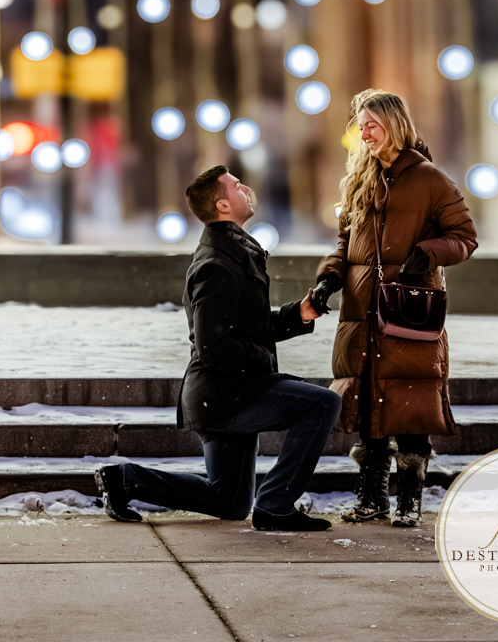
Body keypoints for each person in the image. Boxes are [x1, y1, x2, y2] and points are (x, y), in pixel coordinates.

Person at [96, 165, 340, 532]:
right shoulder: (215, 264)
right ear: (224, 205)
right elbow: (215, 346)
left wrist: (298, 315)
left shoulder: (233, 253)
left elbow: (246, 329)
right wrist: (266, 370)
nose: (247, 189)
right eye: (238, 186)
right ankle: (275, 505)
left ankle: (126, 480)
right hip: (227, 396)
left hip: (225, 394)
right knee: (323, 403)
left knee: (230, 501)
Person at [311, 90, 477, 527]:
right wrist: (330, 275)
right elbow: (346, 246)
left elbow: (465, 237)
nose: (363, 134)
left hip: (407, 311)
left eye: (372, 125)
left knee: (409, 403)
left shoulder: (430, 180)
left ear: (395, 125)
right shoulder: (360, 180)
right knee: (367, 404)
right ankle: (371, 500)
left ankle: (408, 503)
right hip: (361, 313)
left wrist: (427, 253)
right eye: (360, 126)